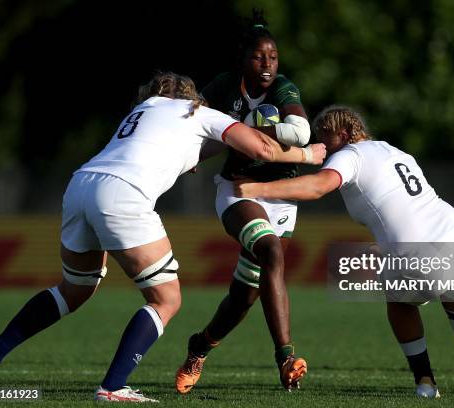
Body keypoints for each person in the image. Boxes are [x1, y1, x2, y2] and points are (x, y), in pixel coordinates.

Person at [0, 71, 325, 402]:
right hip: (123, 194)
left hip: (81, 184)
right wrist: (309, 154)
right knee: (166, 299)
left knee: (74, 289)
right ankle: (112, 387)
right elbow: (261, 148)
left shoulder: (143, 109)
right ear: (191, 96)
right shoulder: (198, 111)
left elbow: (194, 151)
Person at [234, 105, 454, 401]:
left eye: (325, 137)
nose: (320, 147)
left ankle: (424, 382)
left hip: (416, 252)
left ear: (347, 132)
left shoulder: (350, 155)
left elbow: (318, 187)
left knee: (399, 304)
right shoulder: (395, 152)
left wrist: (258, 189)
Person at [175, 10, 311, 393]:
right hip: (238, 189)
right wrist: (189, 156)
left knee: (243, 297)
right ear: (243, 59)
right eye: (258, 57)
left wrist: (248, 128)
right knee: (272, 252)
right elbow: (190, 124)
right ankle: (286, 357)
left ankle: (199, 346)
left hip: (280, 197)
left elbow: (300, 133)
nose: (267, 64)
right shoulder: (223, 87)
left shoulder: (283, 87)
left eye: (272, 57)